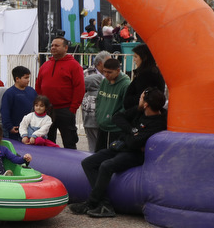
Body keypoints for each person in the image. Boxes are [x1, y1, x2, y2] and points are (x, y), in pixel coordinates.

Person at [70, 88, 168, 218]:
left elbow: (134, 143)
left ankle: (91, 202)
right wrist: (132, 131)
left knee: (106, 165)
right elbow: (117, 117)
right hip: (122, 147)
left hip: (135, 154)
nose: (138, 100)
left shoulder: (158, 122)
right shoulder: (139, 111)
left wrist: (130, 136)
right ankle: (104, 203)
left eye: (141, 98)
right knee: (88, 162)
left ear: (146, 104)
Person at [34, 37, 85, 149]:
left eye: (57, 45)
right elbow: (38, 85)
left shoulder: (74, 65)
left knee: (69, 142)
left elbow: (79, 88)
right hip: (47, 110)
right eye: (52, 45)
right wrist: (40, 105)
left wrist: (72, 108)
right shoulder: (45, 65)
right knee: (47, 141)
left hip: (66, 110)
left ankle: (71, 165)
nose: (53, 47)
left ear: (65, 48)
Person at [95, 57, 131, 151]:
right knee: (98, 154)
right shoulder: (104, 81)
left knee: (111, 155)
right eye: (104, 71)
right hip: (102, 125)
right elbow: (99, 99)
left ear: (118, 70)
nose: (106, 74)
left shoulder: (126, 85)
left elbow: (126, 107)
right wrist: (99, 115)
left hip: (115, 128)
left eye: (109, 72)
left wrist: (115, 119)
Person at [82, 51, 112, 152]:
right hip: (89, 114)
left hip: (106, 115)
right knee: (93, 144)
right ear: (100, 63)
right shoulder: (87, 73)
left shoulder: (112, 74)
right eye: (108, 61)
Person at [122, 43, 165, 110]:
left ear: (144, 58)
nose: (134, 60)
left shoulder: (146, 75)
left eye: (136, 57)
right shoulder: (150, 72)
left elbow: (142, 97)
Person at [1, 66, 37, 141]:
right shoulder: (9, 93)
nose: (28, 80)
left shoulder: (32, 91)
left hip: (30, 129)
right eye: (26, 78)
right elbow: (5, 111)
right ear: (17, 79)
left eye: (28, 77)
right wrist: (9, 127)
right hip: (15, 130)